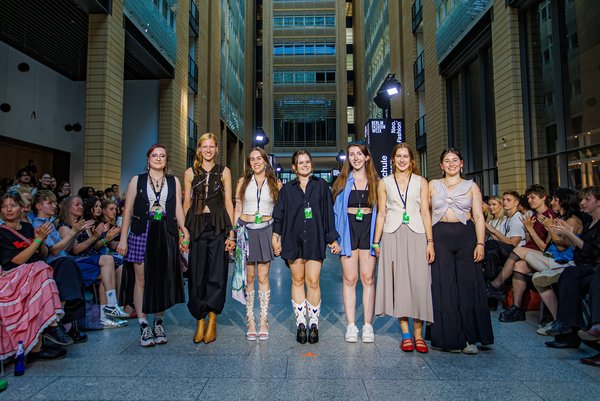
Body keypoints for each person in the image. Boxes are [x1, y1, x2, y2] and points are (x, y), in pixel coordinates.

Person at [117, 144, 189, 347]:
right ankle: (143, 325)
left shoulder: (173, 181)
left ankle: (158, 323)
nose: (158, 158)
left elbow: (178, 209)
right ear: (148, 159)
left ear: (166, 160)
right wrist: (123, 239)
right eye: (155, 155)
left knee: (161, 278)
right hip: (142, 230)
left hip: (166, 230)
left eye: (162, 156)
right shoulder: (136, 180)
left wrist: (184, 229)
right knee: (141, 279)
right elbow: (128, 210)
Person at [272, 149, 340, 344]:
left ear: (311, 164)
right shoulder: (287, 190)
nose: (304, 165)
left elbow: (328, 214)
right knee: (297, 279)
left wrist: (332, 238)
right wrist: (276, 236)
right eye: (300, 162)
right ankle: (301, 323)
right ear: (294, 167)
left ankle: (314, 324)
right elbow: (279, 215)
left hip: (315, 238)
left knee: (313, 281)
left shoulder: (321, 186)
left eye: (307, 162)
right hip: (292, 239)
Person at [429, 148, 493, 354]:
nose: (451, 164)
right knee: (444, 284)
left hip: (466, 236)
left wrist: (481, 243)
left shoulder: (471, 186)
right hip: (440, 235)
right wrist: (427, 241)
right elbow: (424, 213)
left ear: (462, 163)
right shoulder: (432, 185)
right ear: (441, 165)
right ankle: (447, 337)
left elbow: (479, 216)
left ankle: (469, 338)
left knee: (467, 285)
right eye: (447, 161)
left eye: (455, 160)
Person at [372, 143, 434, 352]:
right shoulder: (385, 183)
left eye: (405, 156)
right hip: (392, 234)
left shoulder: (421, 182)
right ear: (393, 159)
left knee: (419, 283)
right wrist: (376, 241)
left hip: (417, 233)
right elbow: (381, 214)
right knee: (399, 284)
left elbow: (425, 212)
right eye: (398, 156)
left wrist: (430, 242)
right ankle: (406, 334)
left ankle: (419, 334)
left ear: (411, 159)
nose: (401, 160)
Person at [0, 191, 67, 361]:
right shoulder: (1, 233)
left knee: (43, 267)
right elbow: (17, 260)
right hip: (13, 276)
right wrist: (37, 241)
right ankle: (52, 326)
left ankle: (37, 346)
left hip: (35, 274)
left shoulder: (28, 228)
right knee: (41, 268)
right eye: (4, 206)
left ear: (22, 208)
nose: (9, 209)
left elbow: (42, 254)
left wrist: (41, 241)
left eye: (13, 205)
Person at [184, 133, 235, 344]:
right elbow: (186, 204)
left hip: (218, 225)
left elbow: (229, 202)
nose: (208, 150)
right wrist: (185, 232)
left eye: (211, 146)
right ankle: (200, 319)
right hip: (196, 225)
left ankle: (212, 318)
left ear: (216, 149)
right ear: (199, 149)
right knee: (197, 274)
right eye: (204, 146)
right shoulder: (190, 172)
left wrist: (231, 233)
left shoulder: (224, 171)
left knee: (217, 272)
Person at [543, 186, 600, 351]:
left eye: (587, 199)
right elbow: (580, 251)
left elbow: (592, 251)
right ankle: (568, 331)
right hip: (585, 267)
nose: (582, 203)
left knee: (569, 276)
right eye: (582, 199)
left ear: (598, 202)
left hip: (594, 269)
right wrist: (570, 235)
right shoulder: (589, 223)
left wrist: (569, 234)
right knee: (568, 277)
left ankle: (569, 329)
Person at [332, 142, 378, 343]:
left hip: (369, 229)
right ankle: (351, 325)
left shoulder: (376, 182)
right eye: (351, 154)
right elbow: (335, 213)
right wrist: (334, 239)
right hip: (348, 230)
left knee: (368, 278)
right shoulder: (342, 182)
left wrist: (379, 240)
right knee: (350, 279)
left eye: (360, 154)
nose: (356, 158)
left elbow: (383, 213)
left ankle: (368, 325)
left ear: (367, 157)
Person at [489, 184, 557, 322]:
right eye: (528, 198)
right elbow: (531, 241)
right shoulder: (534, 215)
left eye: (533, 197)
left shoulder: (550, 216)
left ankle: (496, 285)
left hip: (547, 256)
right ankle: (517, 308)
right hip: (531, 253)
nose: (529, 200)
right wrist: (528, 231)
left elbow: (546, 248)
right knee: (518, 266)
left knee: (516, 250)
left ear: (543, 198)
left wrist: (529, 229)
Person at [58, 196, 128, 329]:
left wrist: (102, 237)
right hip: (75, 262)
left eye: (81, 204)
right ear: (67, 207)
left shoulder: (84, 224)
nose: (80, 207)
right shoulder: (65, 227)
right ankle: (112, 305)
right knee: (108, 260)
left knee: (106, 276)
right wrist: (97, 236)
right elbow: (76, 250)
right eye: (77, 205)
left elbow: (92, 246)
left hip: (90, 258)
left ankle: (105, 317)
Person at [233, 147, 281, 341]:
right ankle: (250, 320)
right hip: (246, 230)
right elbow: (238, 207)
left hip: (266, 230)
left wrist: (277, 236)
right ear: (249, 163)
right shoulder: (242, 182)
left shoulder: (275, 183)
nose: (256, 162)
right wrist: (233, 232)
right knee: (249, 277)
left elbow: (279, 211)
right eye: (252, 159)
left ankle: (263, 320)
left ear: (265, 161)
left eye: (259, 158)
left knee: (263, 276)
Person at [31, 190, 87, 344]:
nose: (54, 205)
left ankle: (69, 324)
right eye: (49, 203)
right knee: (69, 265)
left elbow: (64, 249)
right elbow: (54, 250)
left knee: (71, 265)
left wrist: (74, 233)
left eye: (55, 202)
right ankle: (61, 322)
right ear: (38, 206)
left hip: (62, 260)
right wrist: (72, 232)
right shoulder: (38, 224)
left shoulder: (49, 223)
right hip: (51, 263)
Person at [524, 188, 583, 334]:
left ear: (565, 201)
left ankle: (560, 320)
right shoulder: (559, 219)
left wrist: (550, 227)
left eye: (556, 200)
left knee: (536, 275)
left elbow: (562, 247)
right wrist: (531, 229)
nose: (552, 202)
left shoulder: (573, 220)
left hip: (566, 261)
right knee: (534, 270)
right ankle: (558, 319)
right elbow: (547, 247)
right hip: (553, 259)